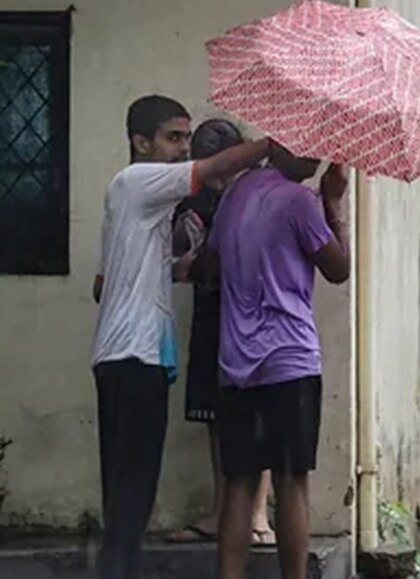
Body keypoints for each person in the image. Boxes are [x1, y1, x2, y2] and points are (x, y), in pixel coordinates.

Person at [91, 95, 269, 579]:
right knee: (133, 492)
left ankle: (116, 569)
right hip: (135, 358)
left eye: (187, 138)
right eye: (174, 138)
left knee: (126, 494)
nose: (183, 149)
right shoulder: (140, 179)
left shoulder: (129, 198)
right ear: (140, 142)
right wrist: (277, 143)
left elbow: (101, 286)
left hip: (119, 355)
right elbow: (217, 167)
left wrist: (168, 269)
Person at [207, 140, 350, 579]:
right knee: (291, 480)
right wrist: (333, 204)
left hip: (236, 362)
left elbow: (212, 265)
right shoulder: (300, 201)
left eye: (319, 151)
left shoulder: (235, 193)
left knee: (240, 481)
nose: (314, 159)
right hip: (289, 359)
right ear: (281, 146)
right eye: (306, 150)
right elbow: (338, 268)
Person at [166, 119, 275, 547]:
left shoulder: (261, 197)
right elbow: (182, 263)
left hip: (257, 319)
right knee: (216, 417)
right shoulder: (195, 201)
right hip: (214, 314)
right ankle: (221, 509)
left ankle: (259, 513)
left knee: (260, 414)